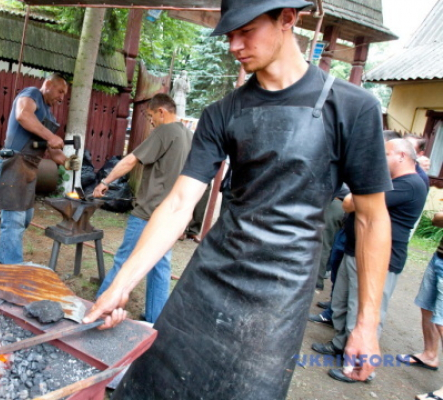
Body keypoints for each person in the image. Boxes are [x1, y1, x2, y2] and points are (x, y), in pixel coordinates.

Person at [82, 1, 393, 398]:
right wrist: (120, 286)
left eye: (245, 31)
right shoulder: (224, 112)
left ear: (287, 19)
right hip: (211, 275)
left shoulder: (352, 107)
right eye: (229, 34)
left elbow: (371, 219)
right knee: (154, 384)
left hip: (281, 293)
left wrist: (365, 325)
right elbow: (179, 203)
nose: (234, 45)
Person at [312, 138, 427, 383]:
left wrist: (357, 197)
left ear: (401, 156)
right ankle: (340, 345)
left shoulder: (410, 184)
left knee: (364, 313)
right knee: (342, 303)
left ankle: (361, 369)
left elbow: (353, 202)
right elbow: (350, 202)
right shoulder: (391, 183)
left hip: (381, 261)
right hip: (355, 251)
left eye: (385, 153)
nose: (380, 158)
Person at [93, 93, 193, 323]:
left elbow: (131, 160)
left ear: (162, 112)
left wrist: (105, 182)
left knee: (125, 259)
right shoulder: (188, 135)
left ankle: (100, 305)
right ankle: (154, 318)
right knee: (160, 266)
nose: (151, 122)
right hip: (171, 214)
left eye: (150, 116)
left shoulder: (164, 131)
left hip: (149, 213)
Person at [0, 73, 78, 264]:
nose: (62, 97)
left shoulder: (49, 114)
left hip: (29, 169)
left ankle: (3, 254)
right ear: (47, 84)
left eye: (65, 94)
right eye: (60, 91)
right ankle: (11, 269)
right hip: (13, 163)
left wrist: (71, 164)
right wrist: (50, 136)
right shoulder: (31, 94)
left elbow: (54, 153)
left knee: (25, 218)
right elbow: (23, 115)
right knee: (14, 220)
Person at [407, 212, 443, 400]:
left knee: (442, 321)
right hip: (439, 257)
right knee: (427, 307)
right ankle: (430, 355)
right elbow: (437, 219)